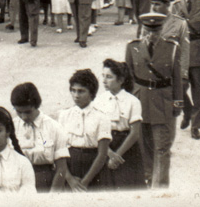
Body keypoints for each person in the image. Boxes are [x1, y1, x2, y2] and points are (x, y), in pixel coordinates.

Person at [124, 12, 183, 188]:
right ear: (142, 29)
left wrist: (178, 102)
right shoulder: (132, 47)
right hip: (139, 101)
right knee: (143, 146)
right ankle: (147, 179)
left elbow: (177, 77)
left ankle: (161, 187)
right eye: (148, 30)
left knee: (162, 148)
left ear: (162, 29)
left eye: (156, 30)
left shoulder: (172, 48)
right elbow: (128, 78)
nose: (151, 34)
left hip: (163, 102)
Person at [10, 83, 72, 193]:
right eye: (19, 112)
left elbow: (61, 169)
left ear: (37, 105)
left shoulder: (53, 127)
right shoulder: (12, 128)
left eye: (28, 112)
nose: (24, 117)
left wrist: (52, 198)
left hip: (45, 184)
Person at [57, 69, 111, 192]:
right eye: (73, 90)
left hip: (93, 169)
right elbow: (59, 150)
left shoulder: (102, 118)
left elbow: (102, 154)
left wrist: (85, 181)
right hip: (69, 168)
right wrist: (70, 180)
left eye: (81, 91)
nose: (76, 95)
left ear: (91, 93)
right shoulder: (64, 115)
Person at [97, 59, 145, 190]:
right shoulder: (99, 100)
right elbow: (95, 129)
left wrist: (117, 156)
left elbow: (134, 133)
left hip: (126, 150)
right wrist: (109, 153)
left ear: (121, 80)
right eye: (103, 76)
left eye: (109, 77)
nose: (104, 81)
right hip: (105, 148)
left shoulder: (133, 101)